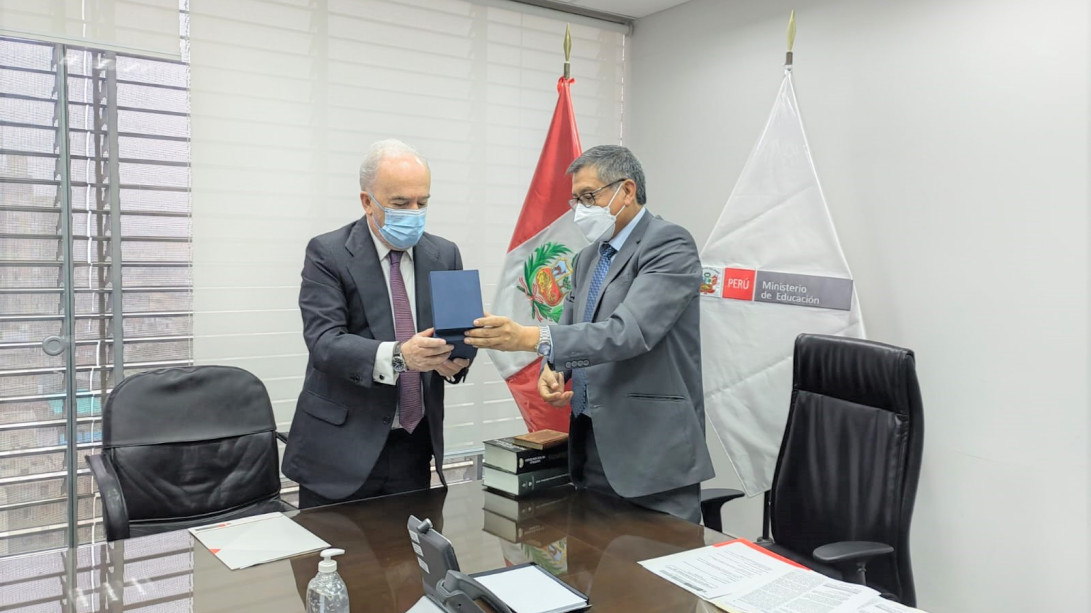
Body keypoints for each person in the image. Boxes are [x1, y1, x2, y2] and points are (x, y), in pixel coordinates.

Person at [465, 145, 714, 522]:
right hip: (592, 445)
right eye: (575, 199)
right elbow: (571, 330)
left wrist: (532, 338)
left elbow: (628, 333)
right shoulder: (587, 258)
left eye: (589, 197)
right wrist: (556, 368)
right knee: (596, 570)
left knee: (655, 571)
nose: (580, 209)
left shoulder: (668, 244)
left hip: (652, 452)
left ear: (627, 191)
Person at [283, 139, 471, 509]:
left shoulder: (444, 253)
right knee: (334, 561)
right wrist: (402, 356)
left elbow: (457, 333)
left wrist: (459, 360)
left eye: (423, 202)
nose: (414, 212)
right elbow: (325, 343)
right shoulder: (328, 253)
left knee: (408, 560)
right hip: (341, 451)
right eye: (401, 203)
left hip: (414, 445)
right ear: (368, 201)